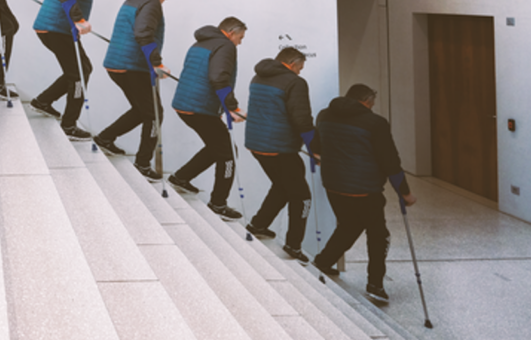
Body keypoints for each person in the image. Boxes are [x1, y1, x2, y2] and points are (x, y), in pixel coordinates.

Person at [312, 84, 417, 304]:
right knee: (379, 235)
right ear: (367, 101)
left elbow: (316, 147)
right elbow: (390, 161)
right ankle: (375, 285)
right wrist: (405, 192)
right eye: (373, 102)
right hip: (364, 190)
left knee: (349, 225)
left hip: (333, 185)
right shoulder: (375, 123)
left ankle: (323, 261)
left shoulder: (324, 115)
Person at [167, 17, 248, 220]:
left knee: (216, 147)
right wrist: (232, 107)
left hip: (185, 104)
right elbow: (218, 77)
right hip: (199, 107)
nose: (240, 42)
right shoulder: (226, 46)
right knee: (228, 152)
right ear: (230, 33)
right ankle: (218, 203)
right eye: (240, 37)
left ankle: (181, 177)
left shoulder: (200, 42)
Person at [94, 0, 174, 174]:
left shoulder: (133, 0)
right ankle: (143, 163)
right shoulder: (151, 2)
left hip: (117, 64)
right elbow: (143, 33)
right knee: (155, 114)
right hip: (132, 67)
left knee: (142, 110)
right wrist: (157, 63)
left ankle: (105, 138)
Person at [29, 0, 108, 140]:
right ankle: (69, 125)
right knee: (79, 73)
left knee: (82, 69)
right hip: (56, 28)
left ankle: (43, 101)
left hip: (56, 28)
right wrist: (79, 19)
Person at [243, 46, 316, 264]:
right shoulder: (294, 82)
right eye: (300, 68)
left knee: (282, 186)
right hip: (280, 147)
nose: (300, 72)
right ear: (292, 64)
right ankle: (294, 245)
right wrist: (315, 149)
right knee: (302, 197)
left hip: (257, 145)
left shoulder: (258, 76)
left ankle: (258, 225)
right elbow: (302, 119)